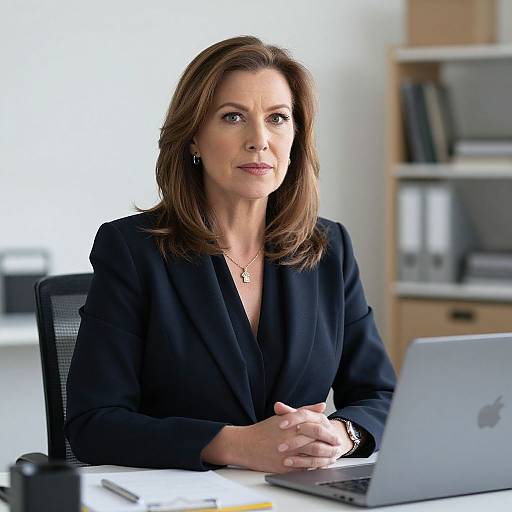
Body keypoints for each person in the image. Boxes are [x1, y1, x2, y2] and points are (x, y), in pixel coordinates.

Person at [64, 35, 396, 473]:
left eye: (277, 118)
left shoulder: (328, 249)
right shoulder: (131, 251)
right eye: (233, 117)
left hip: (299, 497)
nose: (259, 140)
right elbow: (93, 424)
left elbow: (382, 396)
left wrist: (342, 435)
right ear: (194, 138)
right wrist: (233, 445)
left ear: (296, 136)